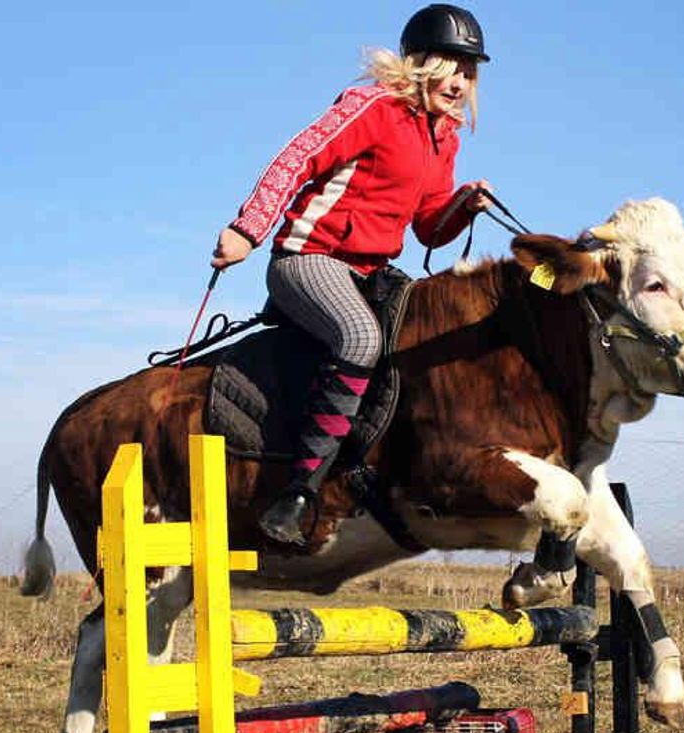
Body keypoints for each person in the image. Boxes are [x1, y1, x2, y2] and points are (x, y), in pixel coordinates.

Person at [211, 4, 493, 544]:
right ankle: (299, 493)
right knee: (361, 337)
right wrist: (249, 229)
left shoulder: (445, 136)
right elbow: (298, 157)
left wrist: (462, 206)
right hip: (308, 258)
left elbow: (428, 228)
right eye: (450, 67)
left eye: (469, 72)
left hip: (371, 272)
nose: (460, 83)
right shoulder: (373, 106)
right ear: (420, 63)